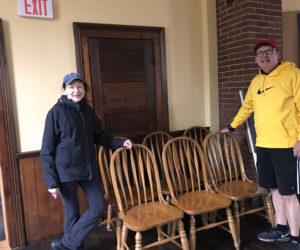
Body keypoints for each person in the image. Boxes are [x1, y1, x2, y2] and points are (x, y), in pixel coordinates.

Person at [221, 39, 300, 250]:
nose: (263, 56)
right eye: (259, 54)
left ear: (276, 53)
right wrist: (231, 126)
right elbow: (247, 107)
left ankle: (295, 237)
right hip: (263, 144)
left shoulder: (293, 75)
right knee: (274, 190)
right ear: (256, 59)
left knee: (288, 193)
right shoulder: (256, 81)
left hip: (285, 145)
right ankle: (281, 228)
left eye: (268, 51)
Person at [40, 72, 132, 250]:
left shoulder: (87, 111)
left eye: (79, 86)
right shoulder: (55, 113)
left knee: (98, 208)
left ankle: (66, 244)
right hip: (65, 172)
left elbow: (100, 136)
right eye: (71, 87)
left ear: (84, 89)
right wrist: (51, 182)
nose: (76, 90)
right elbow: (46, 150)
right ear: (65, 89)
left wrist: (120, 143)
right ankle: (73, 245)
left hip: (88, 169)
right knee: (72, 212)